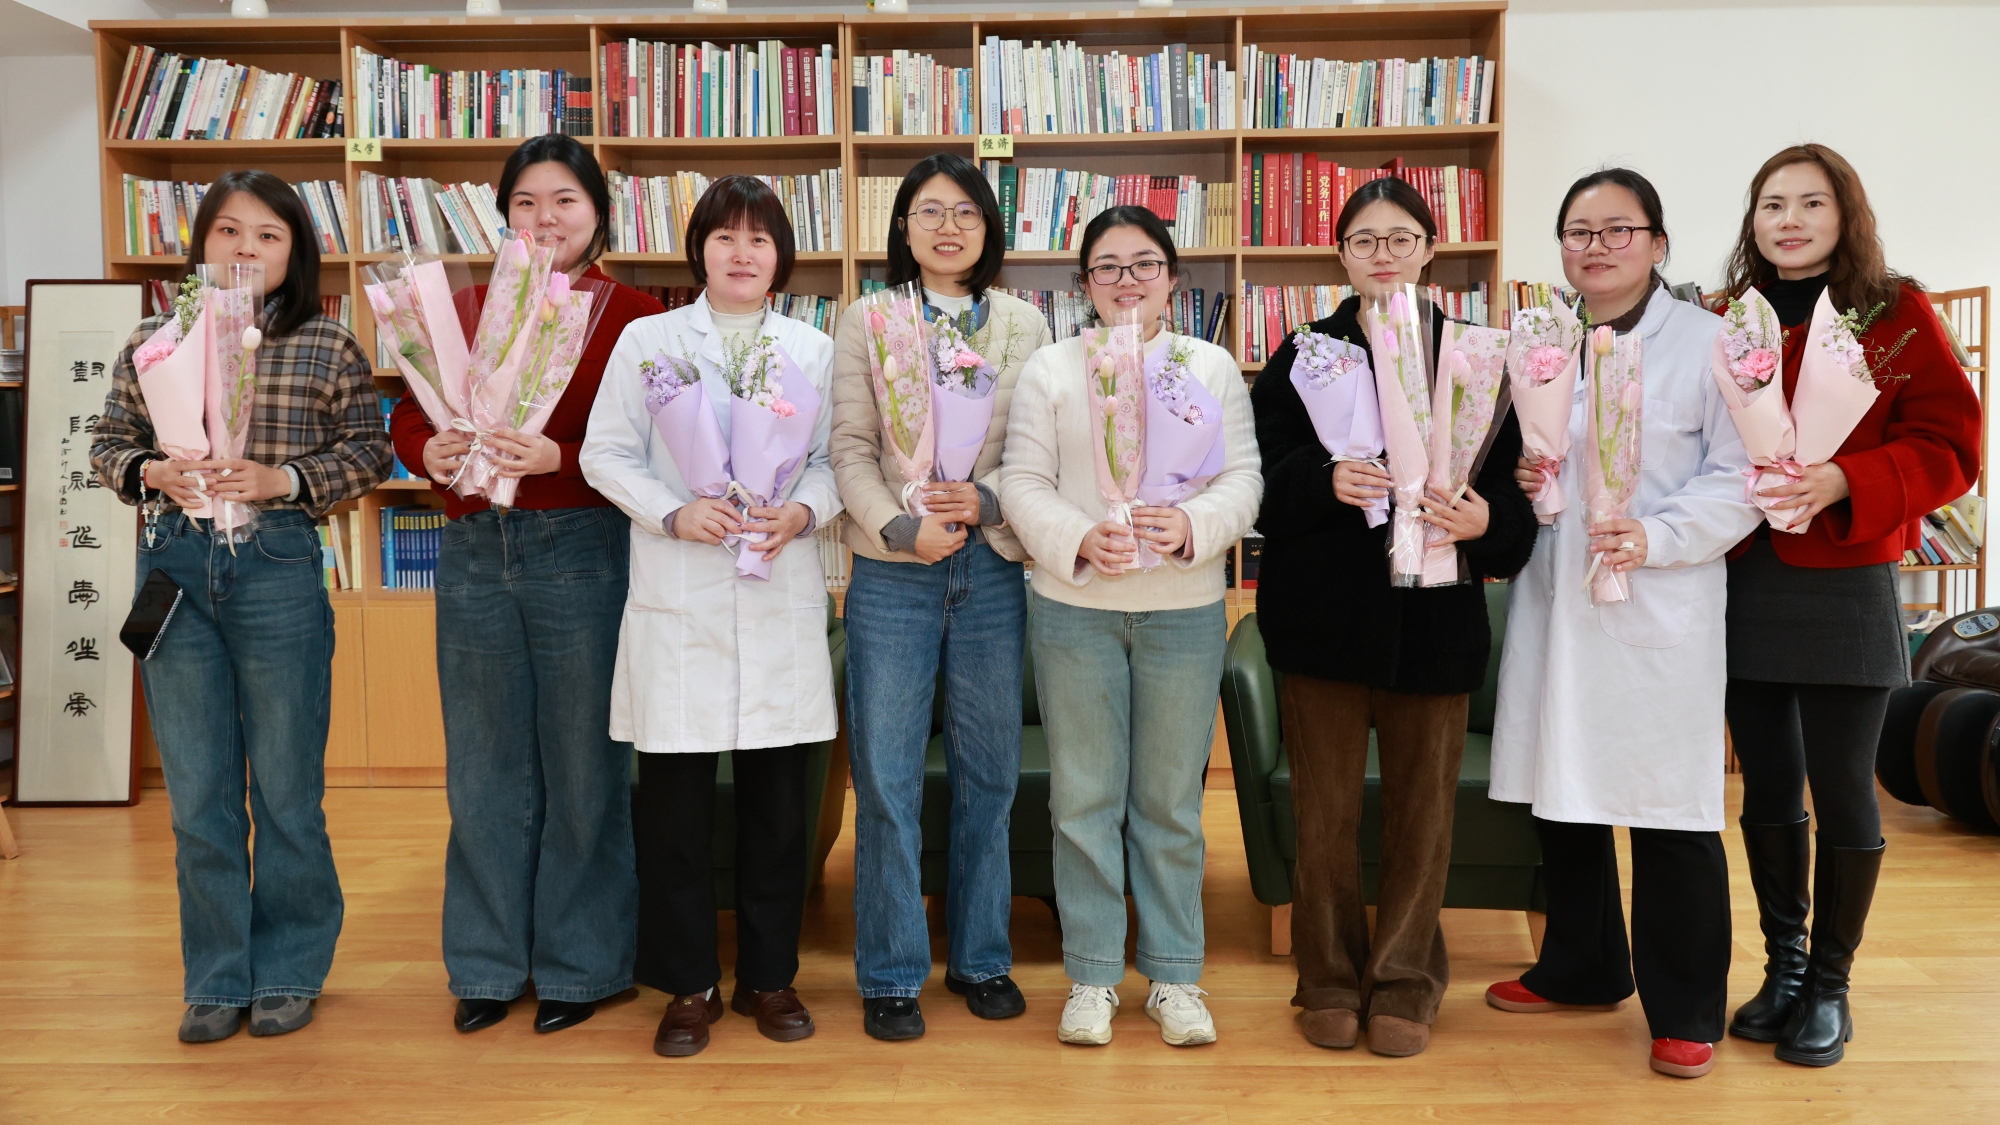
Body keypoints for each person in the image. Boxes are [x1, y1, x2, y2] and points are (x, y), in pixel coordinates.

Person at [91, 169, 393, 1042]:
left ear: (296, 251)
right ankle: (217, 976)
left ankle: (290, 968)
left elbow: (368, 452)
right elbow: (106, 443)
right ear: (201, 244)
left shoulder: (325, 343)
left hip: (278, 562)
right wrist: (153, 470)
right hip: (174, 564)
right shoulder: (153, 340)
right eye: (229, 231)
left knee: (288, 789)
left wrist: (282, 479)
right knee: (198, 794)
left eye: (268, 234)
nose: (246, 249)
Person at [1485, 168, 1764, 1079]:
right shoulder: (1546, 343)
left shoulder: (1711, 344)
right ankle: (1582, 964)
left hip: (1658, 598)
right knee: (1562, 784)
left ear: (1658, 243)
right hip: (1559, 595)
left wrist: (1660, 535)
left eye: (1617, 229)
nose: (1596, 246)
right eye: (1579, 231)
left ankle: (1685, 1006)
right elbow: (1529, 463)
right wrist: (1527, 481)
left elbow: (1744, 475)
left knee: (1666, 804)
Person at [1249, 177, 1536, 1057]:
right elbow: (1261, 484)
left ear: (1430, 249)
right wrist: (1323, 480)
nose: (1383, 253)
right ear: (1340, 254)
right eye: (1365, 239)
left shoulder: (1476, 357)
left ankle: (1407, 980)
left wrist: (1487, 523)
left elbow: (1514, 501)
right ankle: (1328, 978)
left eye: (1401, 237)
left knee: (1423, 817)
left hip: (1437, 626)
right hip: (1321, 626)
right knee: (1324, 817)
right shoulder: (1305, 353)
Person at [387, 134, 665, 1036]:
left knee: (584, 765)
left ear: (599, 213)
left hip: (581, 544)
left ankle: (583, 966)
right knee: (482, 766)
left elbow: (660, 449)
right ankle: (487, 964)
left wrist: (562, 458)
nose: (545, 219)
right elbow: (407, 408)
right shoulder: (467, 308)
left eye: (564, 201)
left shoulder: (635, 318)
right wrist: (424, 449)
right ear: (503, 216)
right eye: (525, 203)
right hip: (474, 547)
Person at [1715, 144, 1979, 1067]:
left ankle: (1832, 985)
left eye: (1810, 203)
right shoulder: (1732, 316)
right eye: (1772, 204)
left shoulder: (1893, 312)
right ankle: (1784, 968)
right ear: (1752, 220)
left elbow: (1952, 445)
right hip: (1746, 576)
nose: (1788, 220)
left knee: (1842, 792)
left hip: (1845, 575)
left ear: (1845, 214)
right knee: (1766, 788)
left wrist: (1844, 478)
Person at [581, 175, 842, 1058]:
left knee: (777, 811)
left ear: (780, 256)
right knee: (675, 813)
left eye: (759, 238)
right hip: (680, 592)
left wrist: (801, 510)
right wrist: (671, 512)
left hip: (776, 591)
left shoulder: (811, 347)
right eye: (725, 237)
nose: (741, 253)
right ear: (698, 250)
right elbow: (605, 453)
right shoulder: (649, 340)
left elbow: (832, 462)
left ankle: (770, 977)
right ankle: (688, 984)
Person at [1000, 205, 1263, 1048]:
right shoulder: (1051, 368)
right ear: (1084, 283)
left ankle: (1175, 975)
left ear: (1172, 279)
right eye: (1107, 266)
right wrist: (1080, 537)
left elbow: (1244, 479)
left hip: (1182, 610)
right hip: (1074, 610)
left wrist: (1191, 526)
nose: (1126, 280)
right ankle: (1092, 974)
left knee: (1171, 802)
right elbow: (1021, 481)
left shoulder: (1207, 366)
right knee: (1082, 798)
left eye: (1144, 263)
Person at [828, 153, 1052, 1040]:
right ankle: (890, 973)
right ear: (904, 227)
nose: (948, 226)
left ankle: (982, 957)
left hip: (990, 568)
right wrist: (898, 526)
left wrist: (983, 501)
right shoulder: (868, 318)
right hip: (893, 572)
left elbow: (1037, 451)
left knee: (988, 773)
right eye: (929, 211)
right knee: (886, 776)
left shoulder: (1025, 323)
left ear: (988, 227)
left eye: (965, 212)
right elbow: (849, 448)